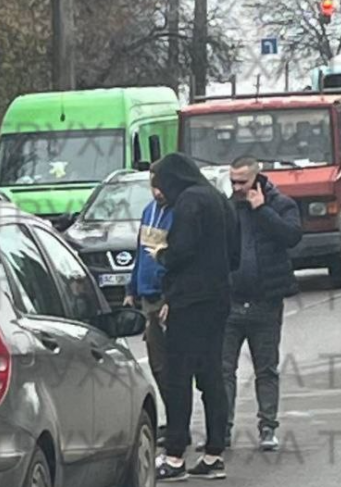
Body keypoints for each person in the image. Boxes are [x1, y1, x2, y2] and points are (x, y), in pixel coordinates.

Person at [145, 153, 240, 482]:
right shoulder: (218, 199)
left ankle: (173, 457)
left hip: (189, 302)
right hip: (219, 298)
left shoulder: (187, 203)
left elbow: (181, 251)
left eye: (158, 185)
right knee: (212, 376)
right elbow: (235, 255)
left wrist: (162, 254)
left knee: (178, 377)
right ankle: (214, 454)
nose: (157, 193)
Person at [219, 156, 302, 453]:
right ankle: (222, 429)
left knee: (266, 368)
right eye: (233, 182)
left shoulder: (280, 204)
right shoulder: (227, 207)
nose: (237, 187)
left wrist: (262, 210)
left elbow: (292, 237)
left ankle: (268, 426)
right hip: (230, 303)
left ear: (256, 179)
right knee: (223, 370)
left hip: (265, 301)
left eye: (242, 182)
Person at [124, 176, 174, 444]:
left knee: (173, 364)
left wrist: (172, 297)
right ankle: (175, 417)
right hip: (147, 297)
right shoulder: (148, 212)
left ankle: (180, 422)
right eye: (153, 187)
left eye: (161, 186)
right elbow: (141, 253)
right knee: (157, 364)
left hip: (167, 296)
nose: (157, 192)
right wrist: (131, 289)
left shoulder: (178, 212)